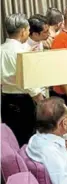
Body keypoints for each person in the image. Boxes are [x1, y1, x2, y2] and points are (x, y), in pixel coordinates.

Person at [1, 14, 44, 146]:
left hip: (6, 99)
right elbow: (28, 80)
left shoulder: (2, 49)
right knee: (26, 139)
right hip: (23, 101)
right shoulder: (21, 52)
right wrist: (40, 99)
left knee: (12, 138)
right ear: (23, 31)